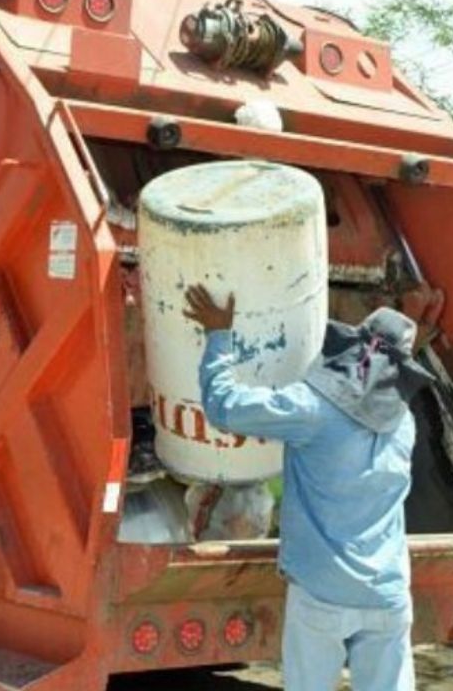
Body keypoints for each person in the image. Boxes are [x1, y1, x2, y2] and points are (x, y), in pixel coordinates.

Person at [182, 284, 435, 691]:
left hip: (323, 594)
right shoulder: (403, 423)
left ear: (353, 347)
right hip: (387, 594)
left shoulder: (311, 409)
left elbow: (223, 405)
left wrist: (219, 335)